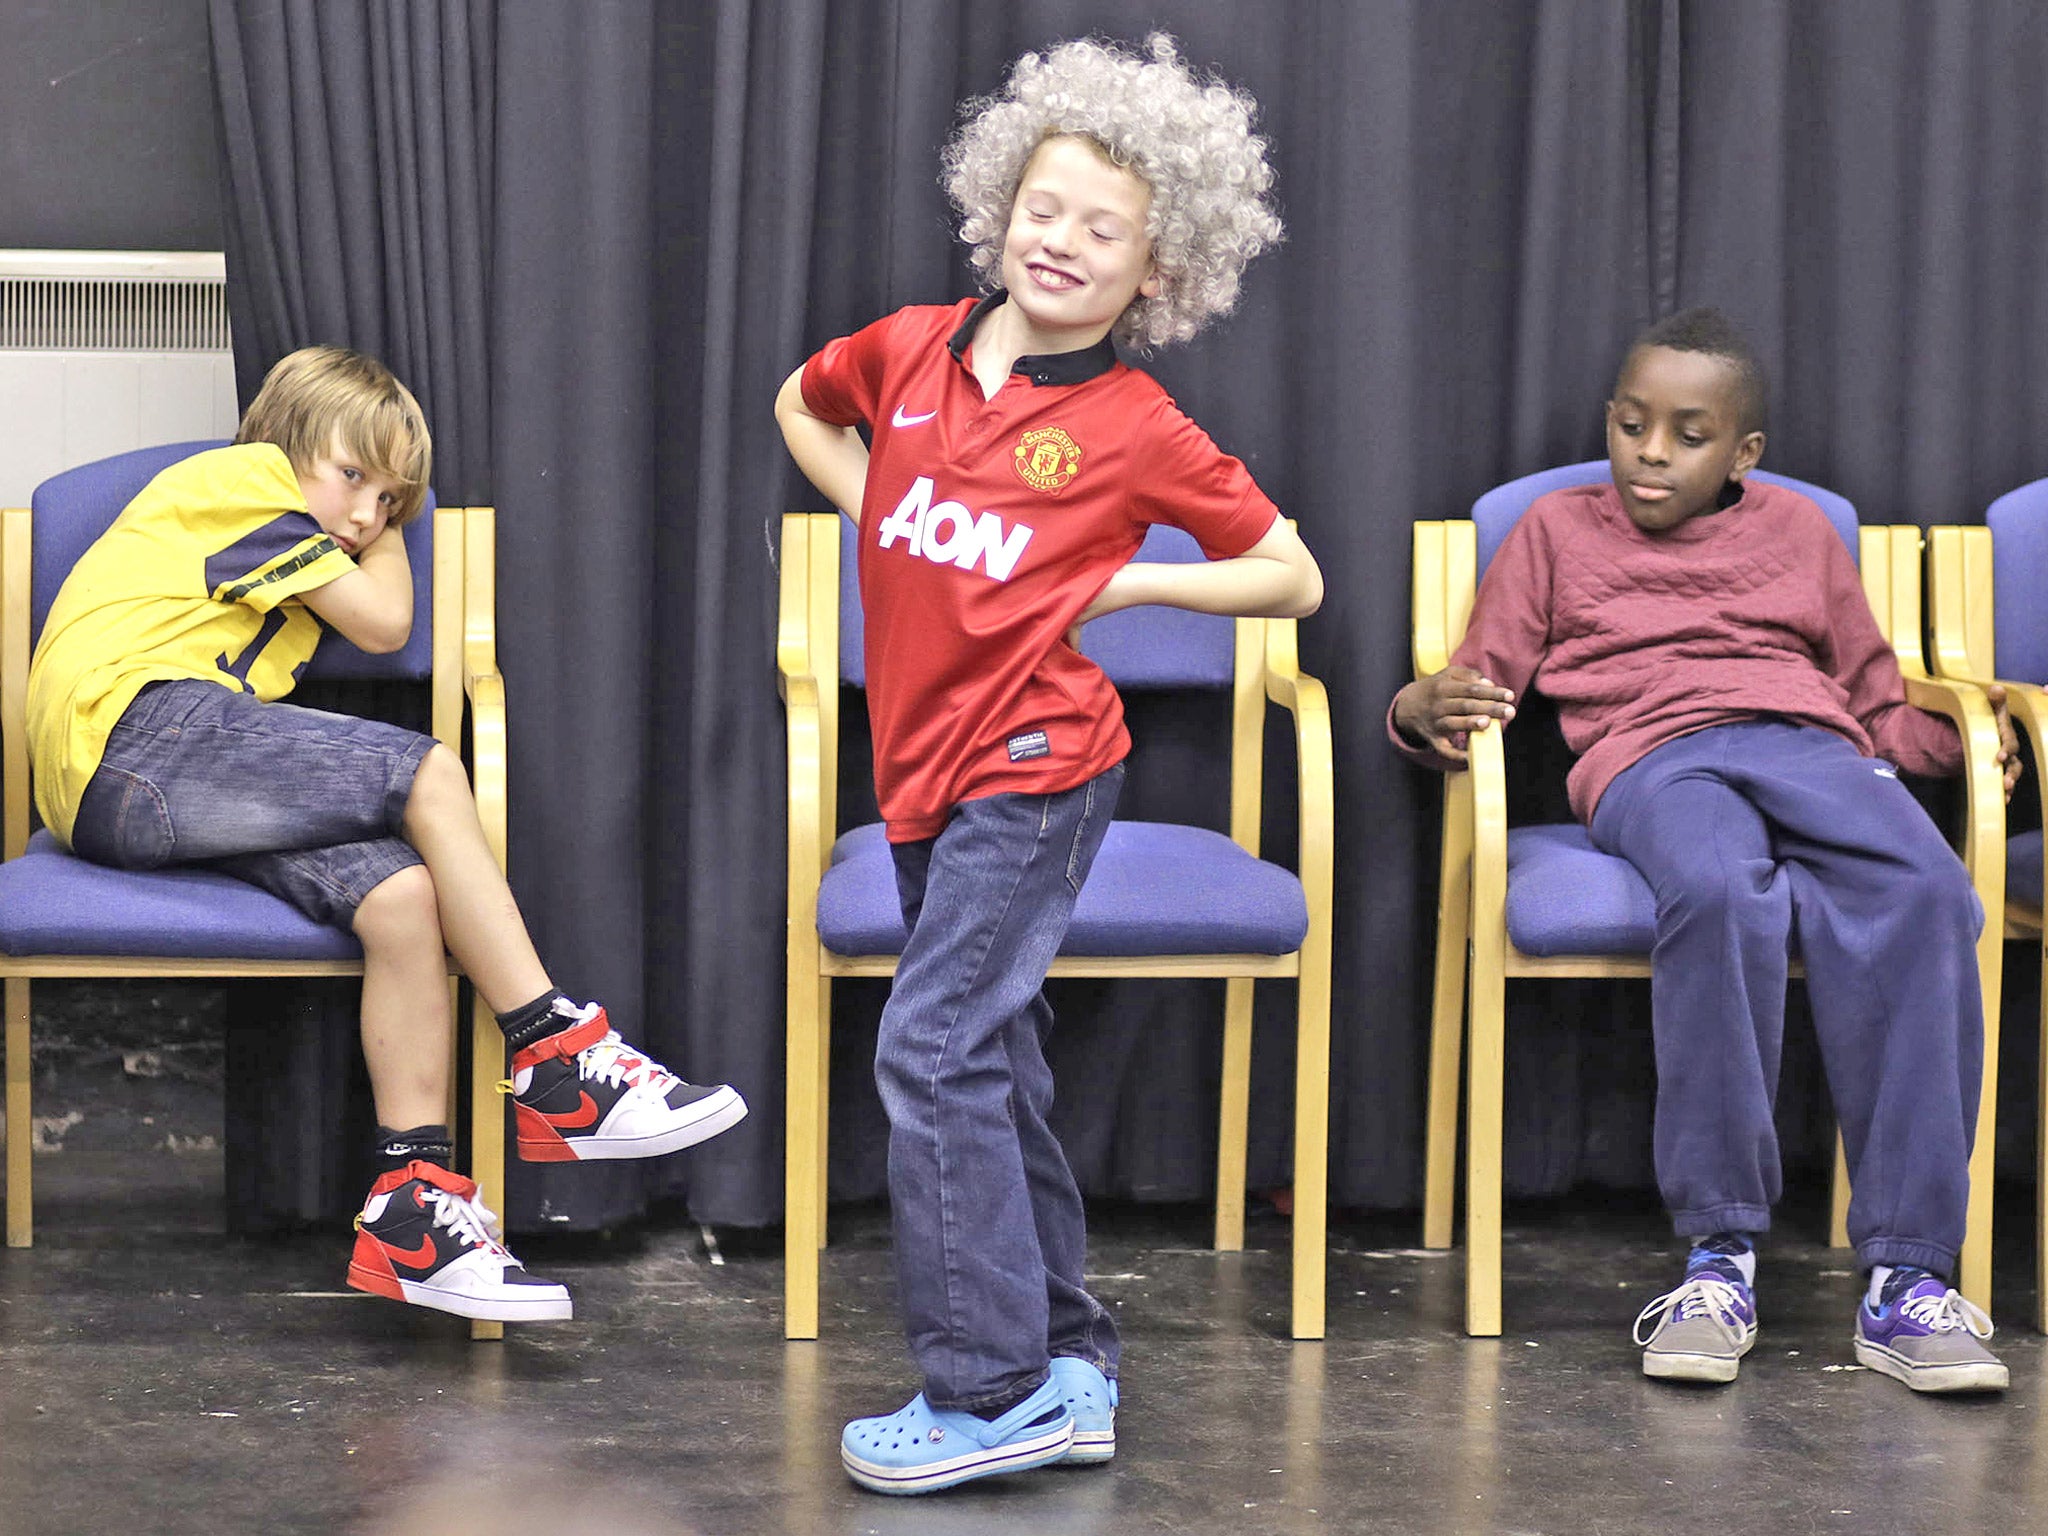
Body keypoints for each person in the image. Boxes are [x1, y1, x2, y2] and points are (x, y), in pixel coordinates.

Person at [776, 34, 1322, 1494]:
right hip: (922, 768)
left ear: (1156, 269)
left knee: (933, 1042)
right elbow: (798, 406)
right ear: (996, 207)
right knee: (996, 1057)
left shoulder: (1133, 426)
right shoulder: (900, 353)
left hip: (1038, 768)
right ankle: (1069, 1358)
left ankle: (989, 1393)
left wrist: (1135, 591)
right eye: (1043, 206)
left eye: (1103, 228)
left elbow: (1290, 574)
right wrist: (879, 507)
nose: (1060, 240)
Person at [27, 345, 746, 1323]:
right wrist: (382, 532)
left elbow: (370, 611)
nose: (368, 514)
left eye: (392, 501)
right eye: (351, 476)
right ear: (282, 445)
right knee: (427, 770)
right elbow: (381, 620)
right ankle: (554, 1054)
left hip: (171, 780)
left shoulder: (284, 541)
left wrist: (373, 506)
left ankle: (413, 1215)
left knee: (401, 898)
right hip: (134, 741)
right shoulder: (241, 481)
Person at [1391, 307, 2019, 1394]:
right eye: (1631, 424)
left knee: (1930, 894)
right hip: (1652, 756)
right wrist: (1416, 706)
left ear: (1743, 452)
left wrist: (1967, 752)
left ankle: (1905, 1280)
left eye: (1687, 434)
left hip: (1807, 746)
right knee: (1720, 890)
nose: (1649, 451)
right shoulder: (1553, 530)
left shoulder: (1796, 536)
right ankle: (1717, 1256)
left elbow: (1873, 696)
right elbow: (1471, 678)